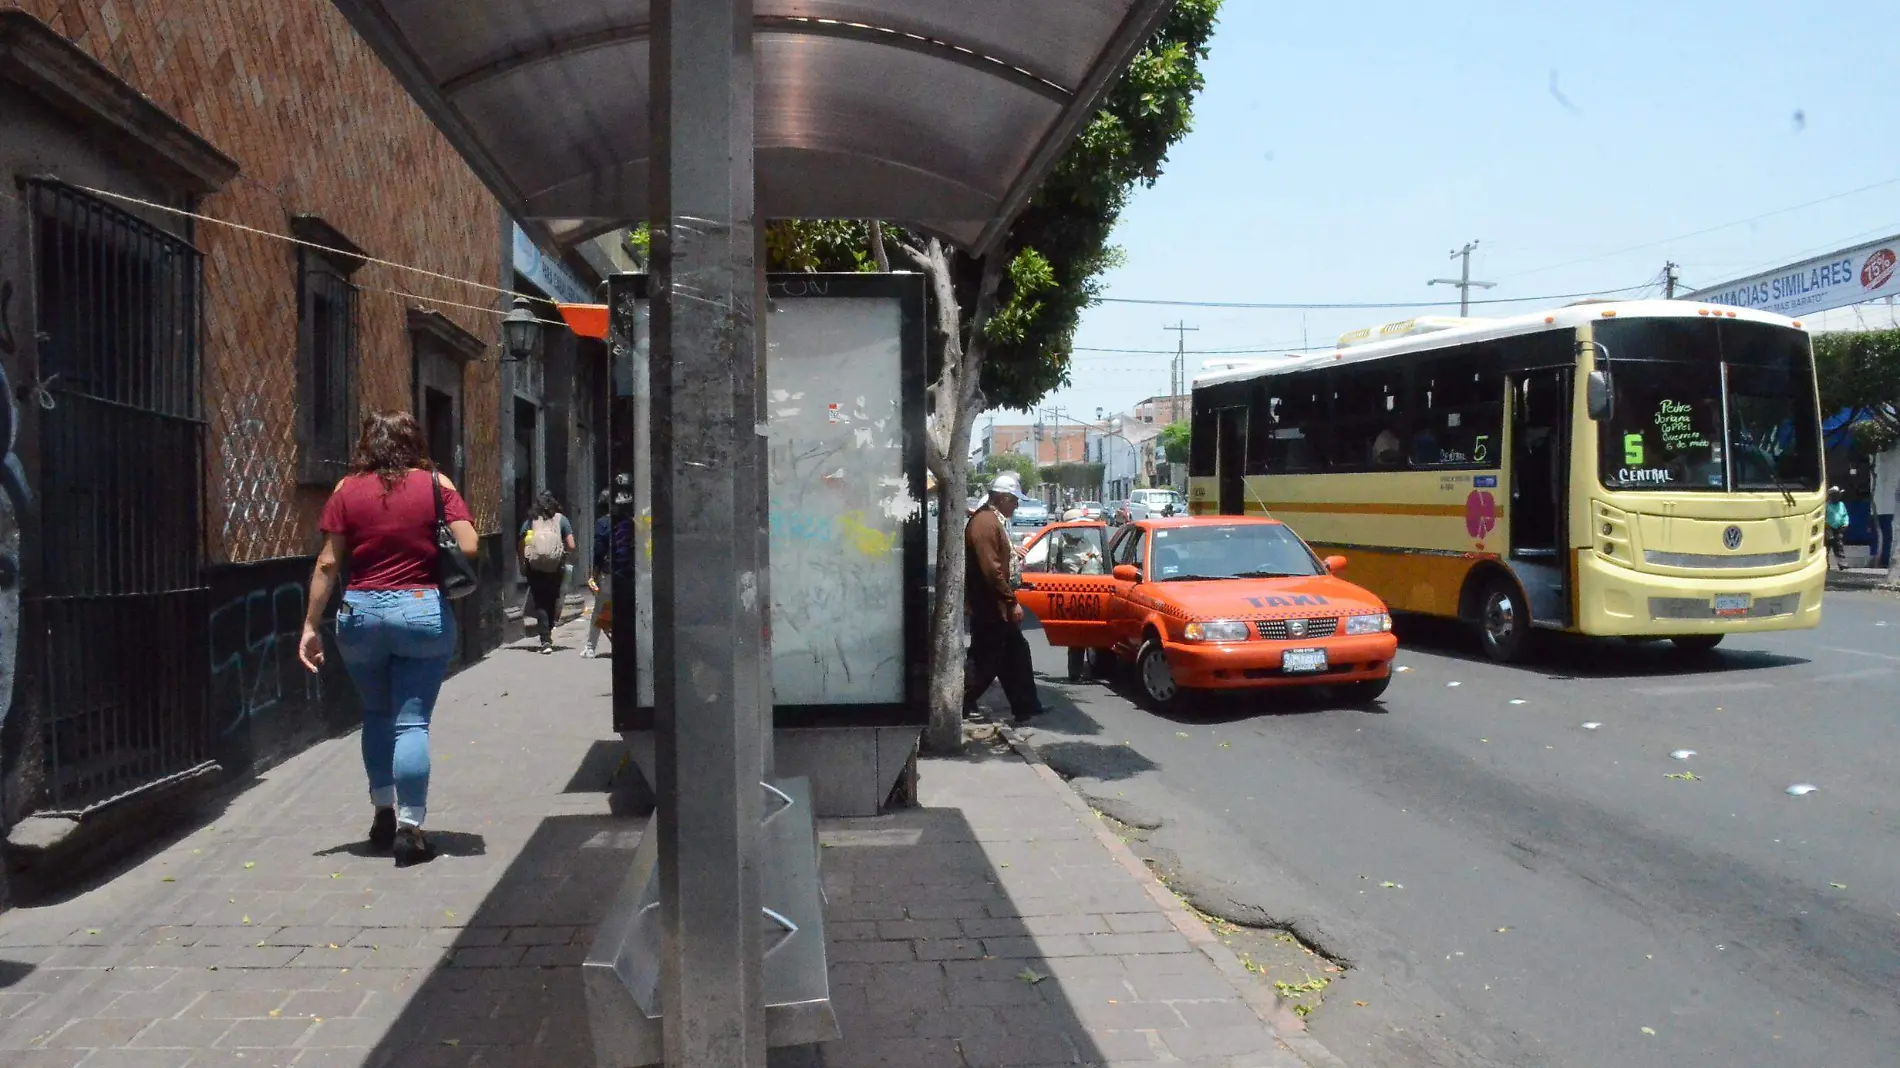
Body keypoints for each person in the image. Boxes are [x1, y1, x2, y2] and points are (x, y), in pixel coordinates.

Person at [299, 411, 478, 866]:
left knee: (376, 713)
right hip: (421, 609)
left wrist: (310, 625)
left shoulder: (346, 490)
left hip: (360, 611)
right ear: (414, 440)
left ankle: (382, 808)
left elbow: (327, 563)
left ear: (367, 444)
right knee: (412, 722)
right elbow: (470, 544)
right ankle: (411, 827)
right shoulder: (437, 485)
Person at [963, 471, 1044, 721]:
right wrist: (1011, 601)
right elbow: (991, 570)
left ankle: (1026, 706)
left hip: (993, 605)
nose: (1017, 505)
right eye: (1014, 500)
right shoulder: (985, 523)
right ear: (1001, 498)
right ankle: (957, 705)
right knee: (986, 662)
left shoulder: (992, 521)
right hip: (991, 607)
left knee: (1016, 653)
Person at [518, 491, 576, 654]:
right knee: (552, 599)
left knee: (540, 601)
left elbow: (521, 542)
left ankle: (545, 640)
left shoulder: (531, 520)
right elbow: (571, 545)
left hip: (534, 566)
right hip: (555, 567)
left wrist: (522, 562)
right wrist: (562, 553)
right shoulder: (561, 520)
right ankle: (548, 632)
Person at [584, 476, 635, 658]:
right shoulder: (629, 520)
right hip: (629, 571)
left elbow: (599, 550)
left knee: (600, 608)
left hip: (610, 571)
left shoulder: (603, 523)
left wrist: (594, 574)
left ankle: (590, 647)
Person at [1875, 444, 1899, 570]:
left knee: (1888, 538)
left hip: (1885, 511)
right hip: (1884, 512)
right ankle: (1884, 561)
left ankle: (1884, 561)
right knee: (1887, 538)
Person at [1824, 486, 1849, 570]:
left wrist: (1845, 524)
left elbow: (1845, 515)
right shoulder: (1826, 505)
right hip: (1828, 528)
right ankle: (1825, 566)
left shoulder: (1841, 504)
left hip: (1839, 528)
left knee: (1839, 546)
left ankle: (1842, 565)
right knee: (1826, 548)